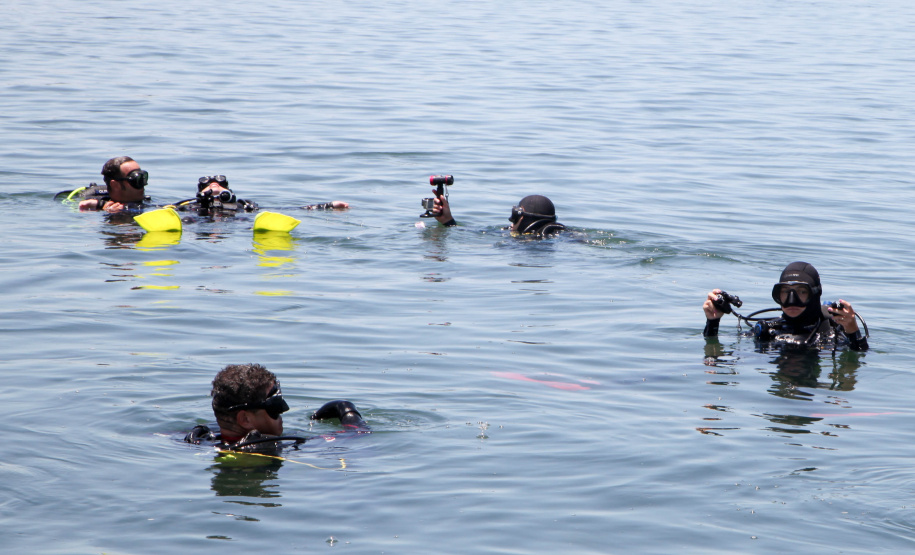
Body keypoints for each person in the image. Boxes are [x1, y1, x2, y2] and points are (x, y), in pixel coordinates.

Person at [185, 363, 368, 453]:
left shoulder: (202, 438)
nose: (282, 412)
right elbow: (357, 435)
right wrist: (347, 410)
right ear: (245, 419)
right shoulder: (283, 446)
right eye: (275, 405)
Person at [702, 261, 868, 351]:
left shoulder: (832, 332)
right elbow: (714, 350)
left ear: (815, 294)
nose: (791, 300)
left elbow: (860, 355)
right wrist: (713, 322)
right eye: (785, 292)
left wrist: (853, 331)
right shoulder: (770, 331)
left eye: (801, 292)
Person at [172, 175, 350, 216]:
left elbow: (286, 209)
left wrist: (327, 205)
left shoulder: (243, 205)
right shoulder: (189, 206)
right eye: (210, 186)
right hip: (198, 226)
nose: (214, 185)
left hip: (238, 226)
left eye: (219, 185)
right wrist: (202, 200)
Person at [431, 191, 565, 236]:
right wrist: (447, 220)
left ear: (522, 217)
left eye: (514, 217)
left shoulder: (522, 243)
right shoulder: (559, 234)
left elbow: (473, 237)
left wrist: (449, 224)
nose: (511, 222)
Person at [54, 156, 151, 213]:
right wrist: (101, 206)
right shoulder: (99, 204)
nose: (142, 184)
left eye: (143, 178)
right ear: (115, 185)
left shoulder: (146, 202)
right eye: (135, 179)